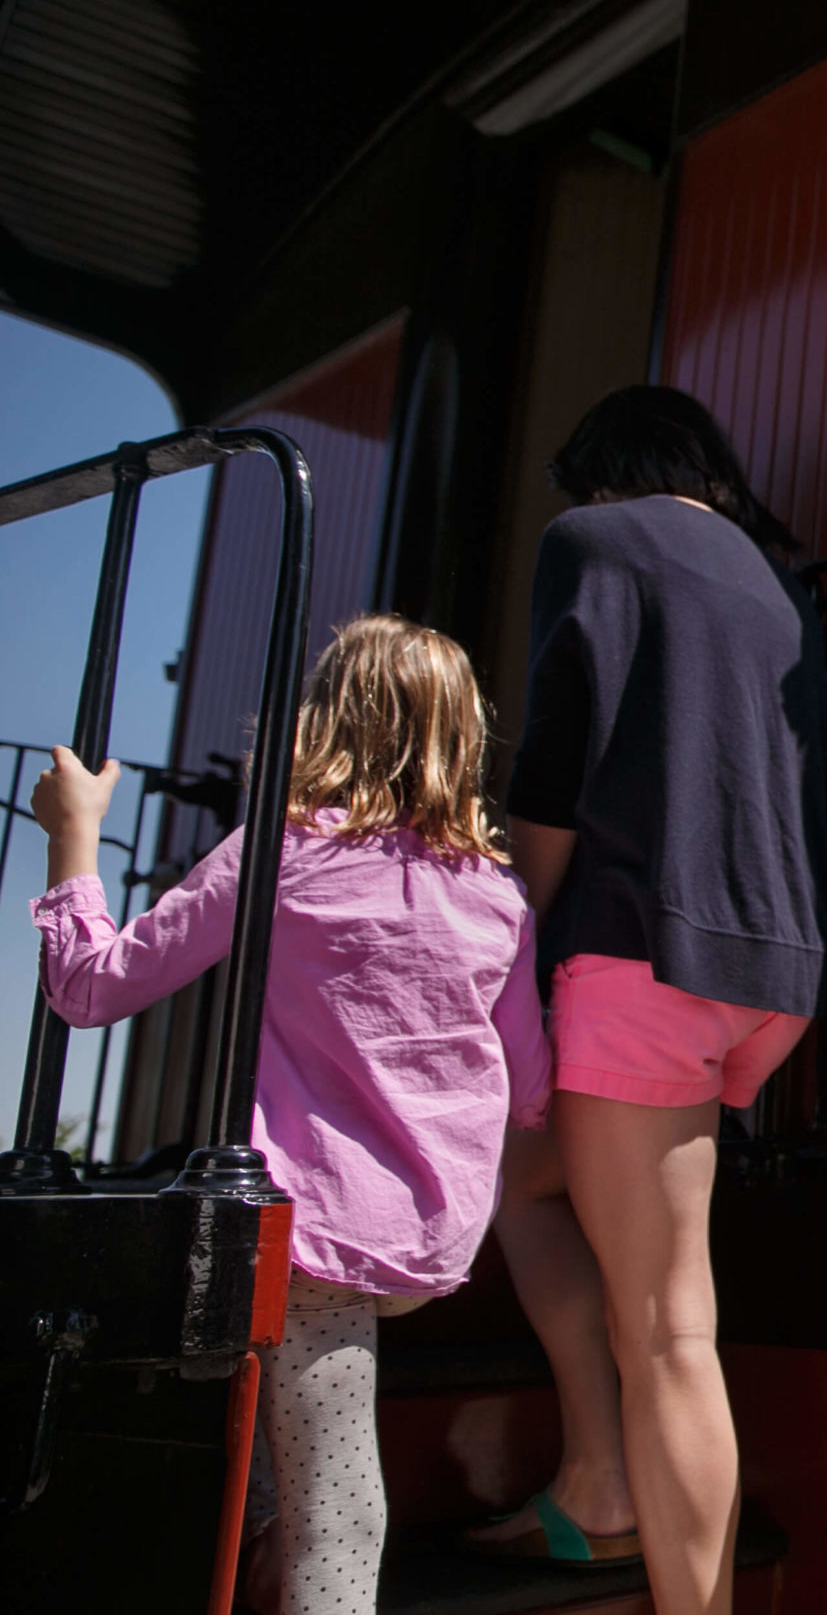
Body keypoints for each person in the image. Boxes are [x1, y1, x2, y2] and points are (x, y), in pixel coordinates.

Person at [30, 614, 545, 1614]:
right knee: (282, 1420)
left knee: (336, 1509)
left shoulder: (283, 853)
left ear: (327, 724)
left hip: (315, 1237)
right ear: (461, 740)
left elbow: (91, 990)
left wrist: (75, 834)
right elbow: (530, 1089)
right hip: (429, 1235)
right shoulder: (498, 896)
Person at [469, 386, 827, 1614]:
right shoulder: (778, 591)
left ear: (605, 474)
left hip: (636, 956)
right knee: (522, 1185)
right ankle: (593, 1475)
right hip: (766, 974)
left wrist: (507, 920)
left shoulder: (595, 543)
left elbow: (558, 762)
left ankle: (645, 1535)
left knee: (672, 1330)